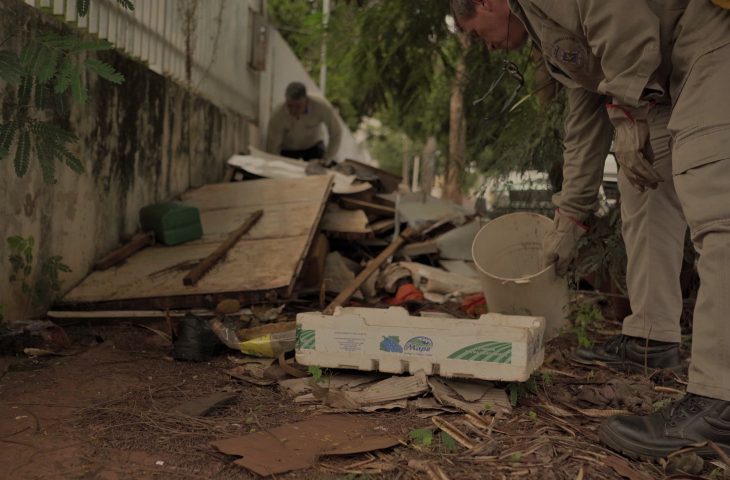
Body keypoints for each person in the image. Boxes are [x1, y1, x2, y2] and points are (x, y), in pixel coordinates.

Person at [450, 0, 730, 460]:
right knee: (642, 184)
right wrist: (570, 219)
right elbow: (582, 123)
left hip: (706, 37)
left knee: (718, 200)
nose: (489, 47)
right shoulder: (543, 28)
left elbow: (622, 15)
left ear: (486, 2)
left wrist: (625, 114)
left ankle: (721, 398)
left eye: (479, 33)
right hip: (659, 78)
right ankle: (651, 338)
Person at [265, 81, 342, 162]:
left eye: (298, 106)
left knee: (322, 167)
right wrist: (275, 163)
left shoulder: (321, 106)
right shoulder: (278, 114)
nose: (293, 110)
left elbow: (336, 132)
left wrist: (328, 158)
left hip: (314, 147)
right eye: (289, 106)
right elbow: (272, 147)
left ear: (307, 100)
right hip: (288, 149)